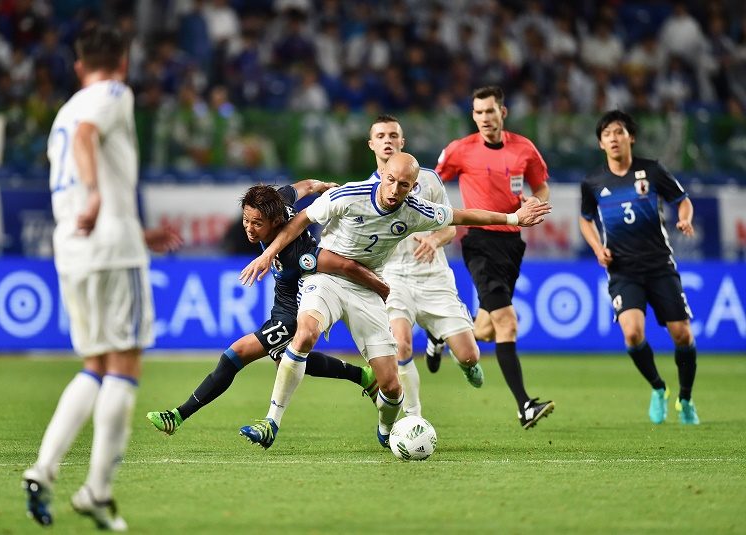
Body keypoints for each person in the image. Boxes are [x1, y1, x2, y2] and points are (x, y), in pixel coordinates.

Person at [238, 151, 551, 450]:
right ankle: (271, 420)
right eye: (390, 180)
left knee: (390, 386)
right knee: (305, 333)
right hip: (326, 278)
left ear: (413, 187)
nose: (394, 189)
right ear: (381, 176)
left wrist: (513, 217)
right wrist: (268, 254)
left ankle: (387, 430)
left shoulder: (415, 211)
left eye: (404, 185)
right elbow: (302, 218)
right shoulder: (349, 195)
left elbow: (461, 215)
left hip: (366, 289)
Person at [22, 25, 182, 531]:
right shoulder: (113, 93)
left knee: (95, 363)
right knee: (125, 364)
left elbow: (84, 147)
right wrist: (97, 196)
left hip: (74, 249)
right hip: (111, 248)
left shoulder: (63, 114)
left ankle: (43, 471)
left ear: (77, 65)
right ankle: (97, 490)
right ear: (123, 61)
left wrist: (134, 227)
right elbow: (92, 142)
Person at [145, 180, 388, 436]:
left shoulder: (296, 252)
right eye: (246, 220)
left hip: (294, 312)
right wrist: (321, 185)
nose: (249, 229)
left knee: (234, 355)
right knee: (285, 357)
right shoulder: (277, 201)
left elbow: (344, 266)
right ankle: (363, 377)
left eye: (257, 223)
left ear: (275, 222)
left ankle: (177, 416)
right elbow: (302, 186)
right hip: (280, 303)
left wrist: (381, 287)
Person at [435, 85, 555, 430]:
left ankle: (441, 334)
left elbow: (540, 185)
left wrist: (535, 202)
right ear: (473, 116)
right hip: (479, 241)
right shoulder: (460, 150)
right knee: (508, 322)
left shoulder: (524, 149)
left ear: (503, 113)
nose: (485, 118)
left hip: (512, 242)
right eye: (478, 112)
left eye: (490, 111)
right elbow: (429, 182)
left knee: (486, 328)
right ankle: (524, 406)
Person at [579, 109, 699, 425]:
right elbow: (585, 219)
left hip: (659, 265)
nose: (613, 138)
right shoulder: (593, 182)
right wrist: (596, 247)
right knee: (632, 334)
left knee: (682, 335)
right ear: (601, 144)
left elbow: (682, 199)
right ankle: (659, 388)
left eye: (619, 132)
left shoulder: (652, 170)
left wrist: (684, 218)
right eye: (607, 134)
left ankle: (685, 399)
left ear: (630, 137)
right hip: (622, 270)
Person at [366, 115, 483, 417]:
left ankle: (448, 349)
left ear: (402, 142)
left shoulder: (427, 179)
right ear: (372, 144)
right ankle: (413, 417)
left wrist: (433, 240)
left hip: (433, 277)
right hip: (393, 279)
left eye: (393, 135)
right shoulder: (366, 190)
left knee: (470, 356)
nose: (387, 140)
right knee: (401, 346)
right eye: (381, 136)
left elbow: (451, 227)